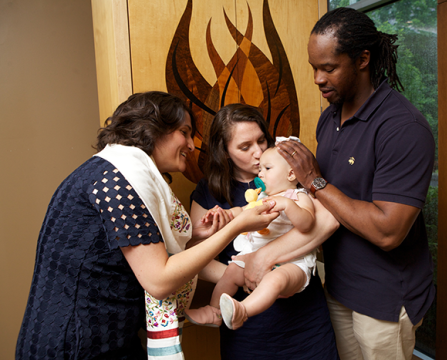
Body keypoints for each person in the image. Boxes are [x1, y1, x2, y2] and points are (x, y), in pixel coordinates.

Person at [15, 92, 278, 360]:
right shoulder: (118, 183)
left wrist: (195, 234)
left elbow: (121, 246)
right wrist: (235, 227)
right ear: (153, 130)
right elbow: (159, 280)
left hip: (105, 337)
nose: (191, 144)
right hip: (76, 345)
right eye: (184, 132)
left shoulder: (108, 172)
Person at [276, 8, 436, 360]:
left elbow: (387, 232)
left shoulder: (403, 127)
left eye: (329, 68)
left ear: (363, 59)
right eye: (314, 68)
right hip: (337, 287)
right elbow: (326, 205)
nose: (318, 78)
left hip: (385, 299)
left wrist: (314, 180)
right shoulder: (329, 118)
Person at [189, 103, 340, 359]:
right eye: (245, 147)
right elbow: (194, 256)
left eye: (262, 140)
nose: (258, 153)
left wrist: (264, 261)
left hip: (304, 318)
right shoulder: (210, 190)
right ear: (225, 151)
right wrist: (243, 273)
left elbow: (326, 221)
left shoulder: (295, 179)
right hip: (246, 326)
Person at [186, 144, 317, 330]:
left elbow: (308, 224)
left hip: (293, 264)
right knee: (231, 272)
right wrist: (225, 215)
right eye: (260, 169)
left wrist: (288, 205)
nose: (260, 174)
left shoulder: (298, 196)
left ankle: (243, 310)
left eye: (268, 168)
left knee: (275, 280)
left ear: (290, 175)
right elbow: (243, 211)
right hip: (257, 260)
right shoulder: (262, 197)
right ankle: (214, 311)